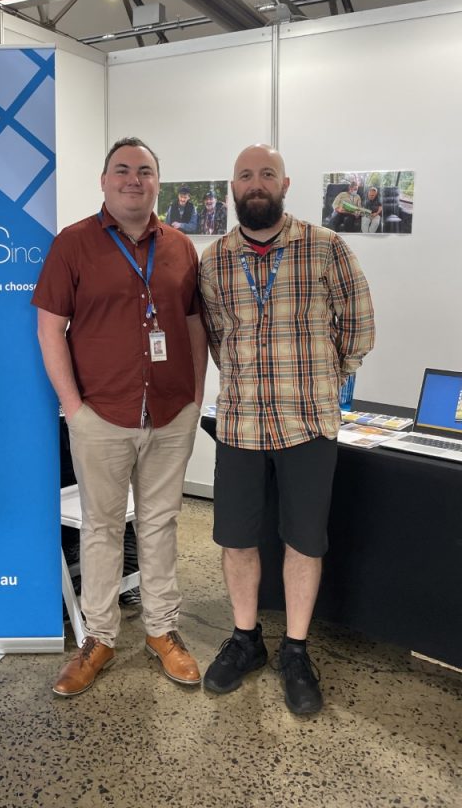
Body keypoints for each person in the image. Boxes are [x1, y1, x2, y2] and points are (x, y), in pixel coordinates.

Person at [199, 144, 374, 715]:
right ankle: (246, 640)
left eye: (266, 174)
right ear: (232, 186)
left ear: (285, 183)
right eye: (245, 174)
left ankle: (295, 649)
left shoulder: (326, 248)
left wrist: (325, 376)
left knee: (304, 540)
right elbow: (220, 341)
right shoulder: (214, 260)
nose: (256, 183)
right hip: (241, 424)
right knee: (236, 538)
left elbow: (360, 328)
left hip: (309, 424)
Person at [33, 137, 208, 697]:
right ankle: (101, 637)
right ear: (104, 181)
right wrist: (73, 408)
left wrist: (195, 396)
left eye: (145, 171)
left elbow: (195, 328)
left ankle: (162, 630)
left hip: (170, 409)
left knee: (160, 523)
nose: (134, 179)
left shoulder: (180, 247)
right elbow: (49, 329)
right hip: (100, 414)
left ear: (158, 182)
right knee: (104, 528)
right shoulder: (73, 244)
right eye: (123, 170)